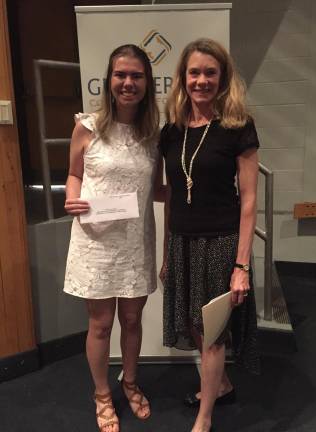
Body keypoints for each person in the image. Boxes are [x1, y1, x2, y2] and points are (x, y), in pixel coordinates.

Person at [159, 38, 260, 432]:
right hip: (182, 242)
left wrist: (241, 265)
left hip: (220, 244)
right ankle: (222, 386)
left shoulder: (238, 127)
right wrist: (167, 251)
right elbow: (170, 196)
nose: (201, 80)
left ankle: (204, 420)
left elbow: (249, 202)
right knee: (193, 324)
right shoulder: (170, 132)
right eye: (194, 72)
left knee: (213, 333)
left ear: (223, 78)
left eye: (210, 73)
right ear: (183, 79)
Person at [64, 44, 163, 432]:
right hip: (96, 242)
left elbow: (153, 189)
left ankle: (132, 382)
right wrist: (72, 196)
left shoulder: (153, 135)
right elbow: (73, 174)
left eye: (136, 76)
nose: (128, 83)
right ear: (109, 80)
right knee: (102, 325)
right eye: (121, 75)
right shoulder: (87, 127)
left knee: (134, 320)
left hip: (136, 242)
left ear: (146, 83)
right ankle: (103, 395)